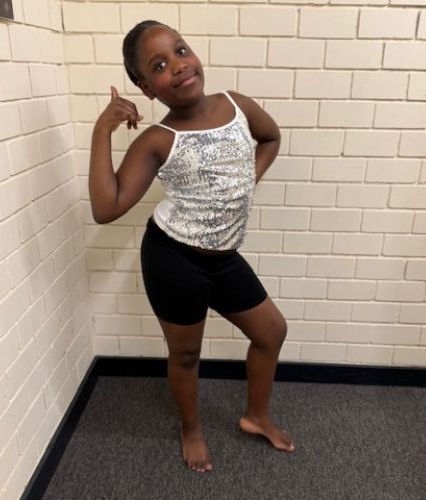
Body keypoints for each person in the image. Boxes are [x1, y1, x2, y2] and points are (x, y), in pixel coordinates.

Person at [89, 20, 295, 473]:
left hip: (224, 258)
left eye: (180, 51)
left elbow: (271, 137)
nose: (178, 66)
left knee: (271, 332)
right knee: (186, 354)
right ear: (147, 88)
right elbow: (106, 207)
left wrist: (247, 180)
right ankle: (192, 429)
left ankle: (257, 416)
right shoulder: (158, 140)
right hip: (174, 260)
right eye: (159, 65)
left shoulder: (236, 105)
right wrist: (102, 130)